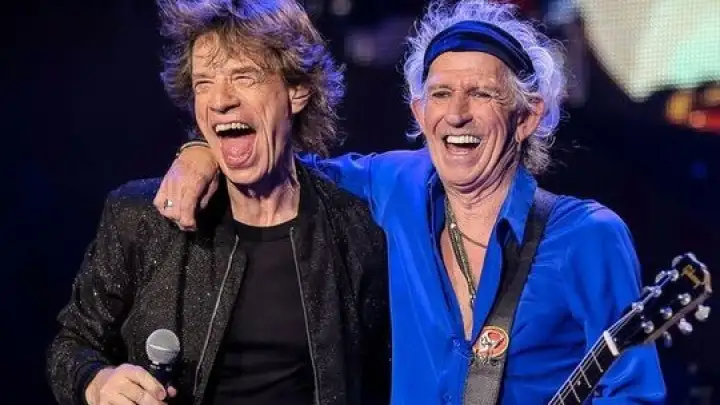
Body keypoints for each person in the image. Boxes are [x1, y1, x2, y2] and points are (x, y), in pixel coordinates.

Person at [156, 1, 667, 404]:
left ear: (527, 116)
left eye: (481, 94)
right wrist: (200, 152)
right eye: (441, 94)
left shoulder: (587, 236)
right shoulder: (395, 187)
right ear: (420, 113)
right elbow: (279, 167)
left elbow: (634, 394)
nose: (457, 114)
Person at [45, 1, 391, 405]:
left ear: (297, 90)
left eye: (244, 76)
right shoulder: (144, 218)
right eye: (204, 83)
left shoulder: (355, 233)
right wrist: (97, 381)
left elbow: (381, 376)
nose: (219, 100)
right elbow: (71, 345)